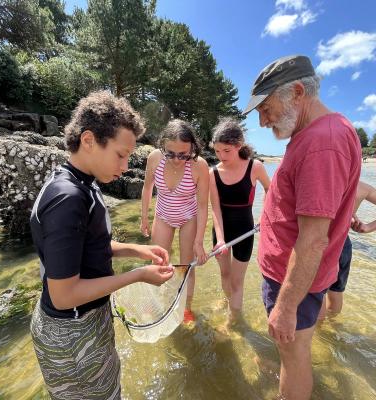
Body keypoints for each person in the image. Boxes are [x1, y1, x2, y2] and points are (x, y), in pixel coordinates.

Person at [29, 91, 174, 400]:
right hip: (72, 334)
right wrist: (136, 274)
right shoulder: (67, 198)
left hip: (82, 324)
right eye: (120, 155)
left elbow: (90, 246)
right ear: (89, 140)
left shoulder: (79, 182)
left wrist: (136, 250)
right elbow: (64, 295)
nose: (124, 167)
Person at [243, 55, 361, 400]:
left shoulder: (321, 143)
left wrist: (285, 307)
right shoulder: (318, 131)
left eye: (266, 109)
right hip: (297, 277)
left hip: (292, 279)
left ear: (296, 92)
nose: (263, 122)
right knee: (296, 349)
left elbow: (312, 240)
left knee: (293, 358)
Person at [140, 119, 209, 323]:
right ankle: (156, 305)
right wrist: (144, 217)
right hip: (162, 216)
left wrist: (198, 241)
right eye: (170, 153)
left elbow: (203, 205)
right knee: (158, 262)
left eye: (183, 154)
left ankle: (186, 308)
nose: (177, 159)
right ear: (162, 145)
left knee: (186, 266)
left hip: (189, 217)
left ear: (192, 149)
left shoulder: (200, 166)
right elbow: (146, 188)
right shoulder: (154, 158)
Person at [209, 117, 270, 326]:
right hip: (221, 231)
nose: (221, 156)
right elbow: (215, 208)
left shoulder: (256, 167)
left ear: (239, 145)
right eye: (217, 151)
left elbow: (272, 192)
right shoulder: (213, 173)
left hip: (246, 230)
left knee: (237, 281)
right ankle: (227, 303)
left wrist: (264, 217)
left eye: (226, 151)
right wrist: (220, 239)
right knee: (224, 274)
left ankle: (233, 321)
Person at [323, 181, 376, 315]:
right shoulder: (361, 187)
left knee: (314, 295)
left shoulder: (322, 180)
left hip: (318, 243)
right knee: (336, 290)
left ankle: (317, 333)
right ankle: (333, 331)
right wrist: (367, 227)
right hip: (342, 244)